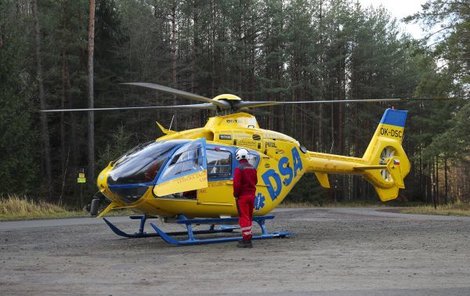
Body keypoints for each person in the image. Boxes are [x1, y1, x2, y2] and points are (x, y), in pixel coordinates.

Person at [233, 148, 258, 248]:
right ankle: (248, 236)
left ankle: (246, 240)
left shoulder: (239, 169)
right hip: (252, 196)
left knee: (244, 217)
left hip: (243, 197)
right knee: (249, 216)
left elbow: (237, 185)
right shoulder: (253, 168)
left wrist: (236, 194)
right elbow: (255, 181)